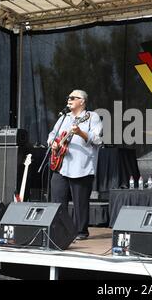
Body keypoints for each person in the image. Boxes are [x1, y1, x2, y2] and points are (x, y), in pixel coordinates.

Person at [48, 90, 103, 241]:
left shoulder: (91, 117)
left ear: (82, 101)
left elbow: (98, 140)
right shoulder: (64, 118)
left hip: (81, 166)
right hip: (61, 165)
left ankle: (80, 231)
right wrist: (52, 142)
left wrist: (80, 133)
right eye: (69, 97)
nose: (69, 99)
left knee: (80, 202)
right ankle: (61, 228)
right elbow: (53, 134)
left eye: (73, 98)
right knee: (58, 198)